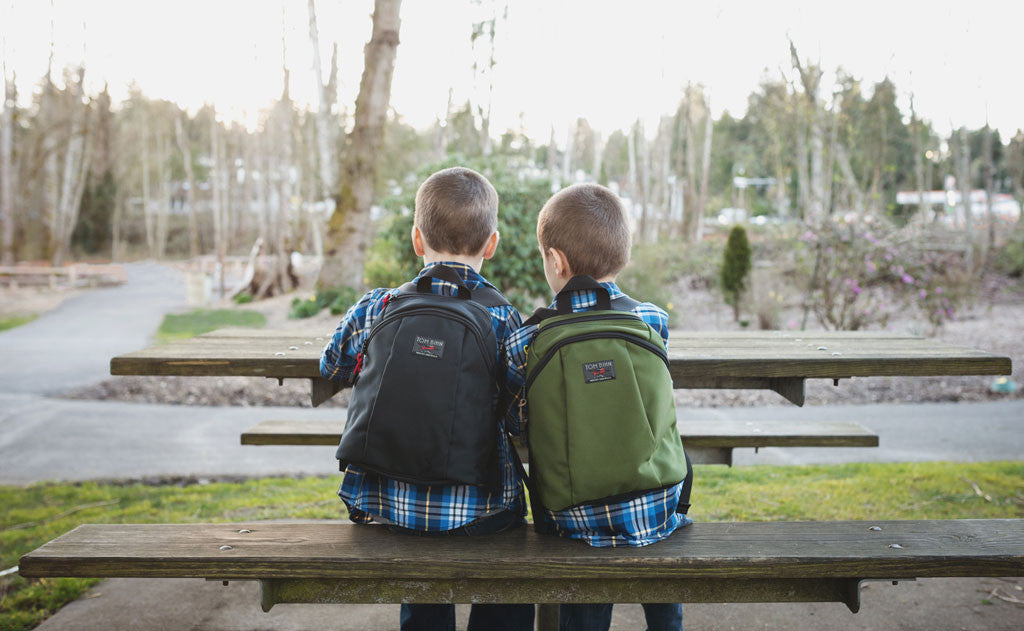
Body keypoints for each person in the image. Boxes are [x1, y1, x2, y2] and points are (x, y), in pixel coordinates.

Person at [320, 166, 533, 631]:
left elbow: (331, 366)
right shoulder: (504, 320)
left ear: (417, 239)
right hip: (482, 513)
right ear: (491, 245)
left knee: (420, 571)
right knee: (514, 563)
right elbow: (522, 418)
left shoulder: (378, 305)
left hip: (388, 503)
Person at [504, 183, 690, 631]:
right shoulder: (651, 320)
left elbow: (515, 421)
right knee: (664, 596)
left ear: (556, 261)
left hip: (572, 518)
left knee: (584, 604)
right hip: (657, 505)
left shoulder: (526, 340)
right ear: (622, 254)